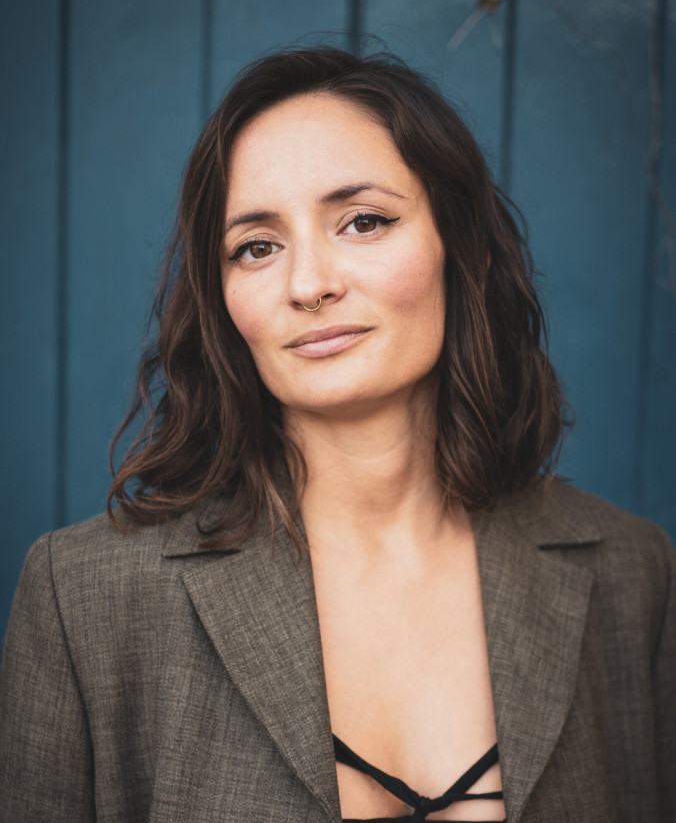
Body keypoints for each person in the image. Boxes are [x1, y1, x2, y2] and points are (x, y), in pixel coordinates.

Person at [0, 46, 674, 823]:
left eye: (364, 222)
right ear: (223, 299)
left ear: (463, 248)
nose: (309, 284)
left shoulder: (633, 575)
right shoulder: (85, 596)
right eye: (257, 246)